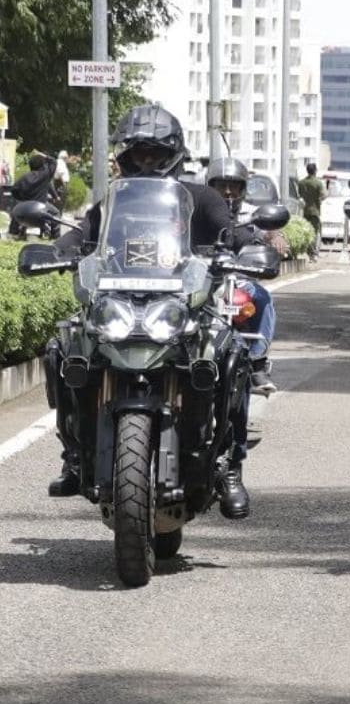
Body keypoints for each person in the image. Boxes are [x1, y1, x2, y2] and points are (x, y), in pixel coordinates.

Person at [49, 104, 254, 519]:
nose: (146, 161)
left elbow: (229, 232)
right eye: (139, 153)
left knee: (233, 355)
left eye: (156, 154)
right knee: (65, 350)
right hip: (119, 305)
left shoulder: (201, 196)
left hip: (179, 309)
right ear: (125, 155)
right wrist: (57, 252)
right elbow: (86, 236)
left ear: (174, 153)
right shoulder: (111, 200)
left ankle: (231, 466)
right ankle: (73, 454)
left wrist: (247, 243)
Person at [205, 155, 284, 396]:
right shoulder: (196, 209)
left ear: (242, 188)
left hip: (238, 280)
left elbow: (269, 231)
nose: (228, 192)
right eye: (222, 186)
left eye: (234, 186)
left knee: (261, 298)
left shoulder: (251, 214)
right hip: (201, 279)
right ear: (211, 187)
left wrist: (276, 238)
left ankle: (258, 363)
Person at [8, 152, 59, 239]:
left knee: (16, 210)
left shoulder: (24, 177)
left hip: (25, 207)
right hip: (41, 207)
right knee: (56, 213)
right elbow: (54, 162)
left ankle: (13, 232)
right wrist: (45, 155)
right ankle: (54, 236)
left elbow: (14, 190)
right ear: (42, 165)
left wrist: (21, 199)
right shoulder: (45, 175)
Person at [297, 162, 325, 261]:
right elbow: (323, 195)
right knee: (315, 233)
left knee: (307, 232)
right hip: (315, 211)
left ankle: (309, 253)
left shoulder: (301, 183)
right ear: (315, 170)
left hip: (305, 211)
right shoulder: (318, 183)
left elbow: (299, 196)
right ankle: (313, 254)